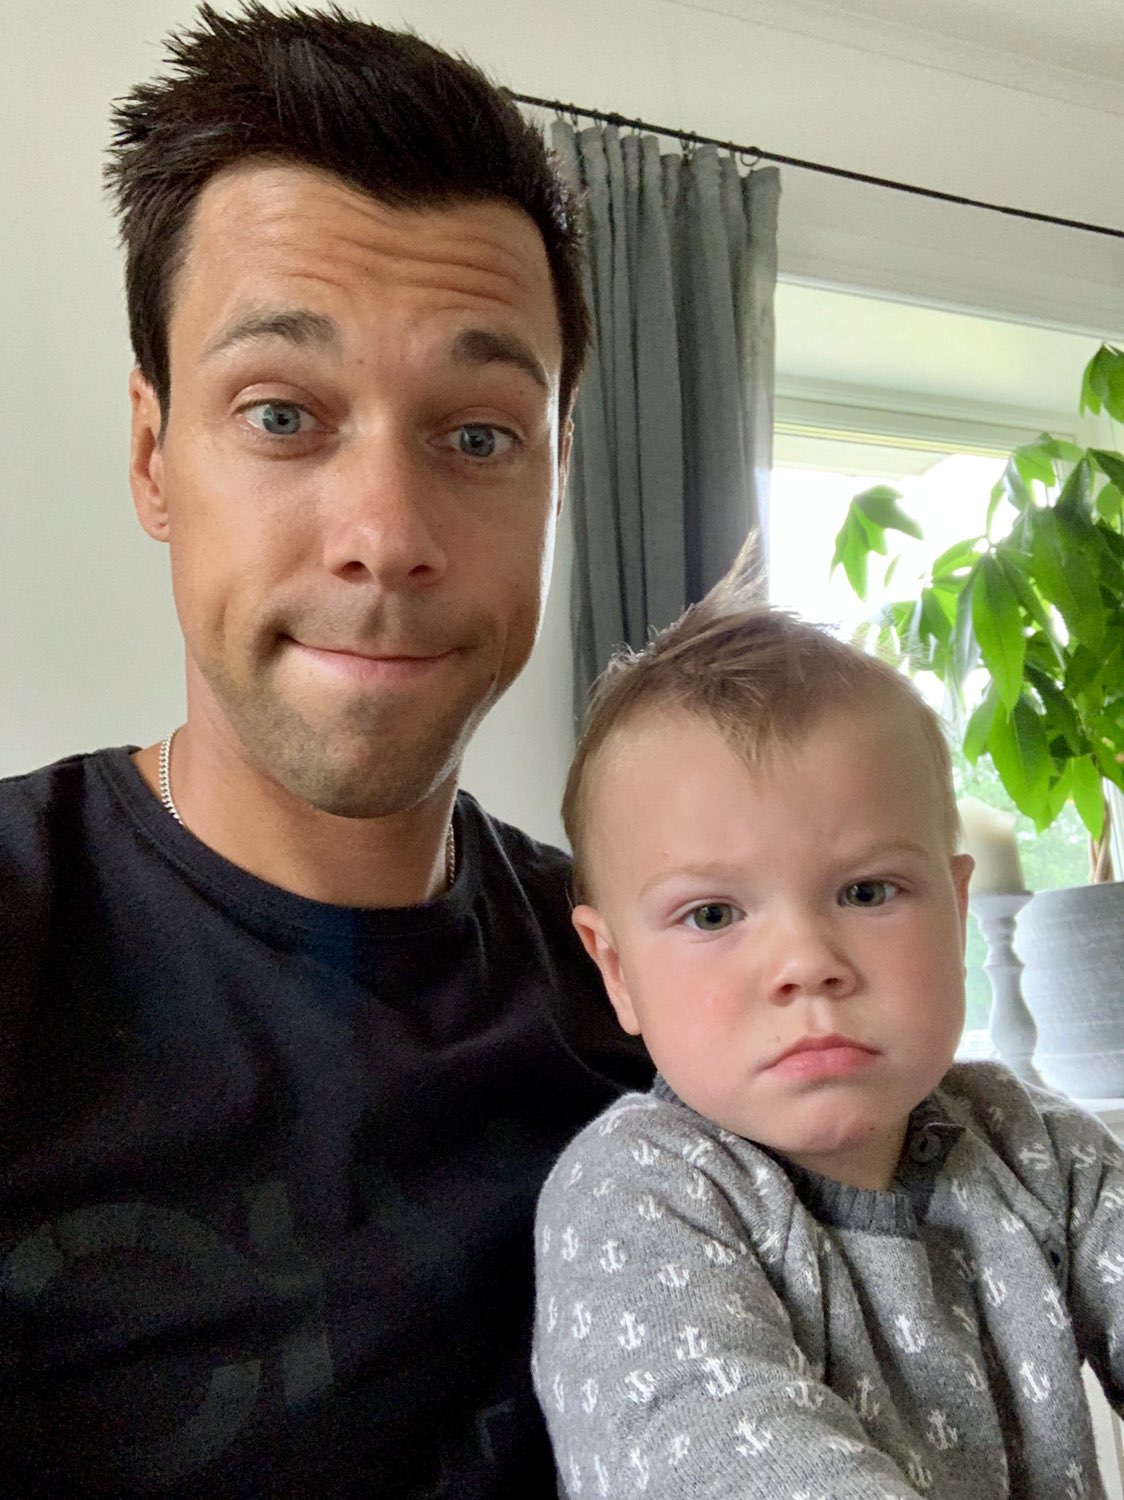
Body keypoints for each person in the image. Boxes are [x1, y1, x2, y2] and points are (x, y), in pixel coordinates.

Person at [0, 6, 651, 1496]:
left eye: (477, 436)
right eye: (283, 414)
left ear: (556, 473)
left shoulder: (657, 982)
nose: (386, 536)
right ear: (154, 456)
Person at [533, 562, 1124, 1499]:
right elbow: (722, 1463)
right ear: (616, 971)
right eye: (713, 914)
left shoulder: (1038, 1150)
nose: (807, 962)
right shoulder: (638, 1195)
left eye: (867, 891)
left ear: (957, 912)